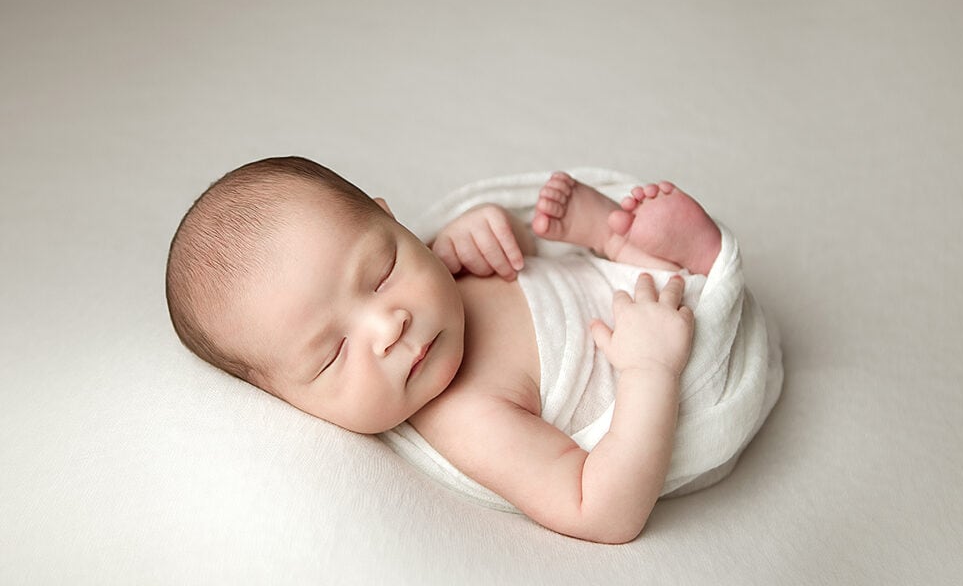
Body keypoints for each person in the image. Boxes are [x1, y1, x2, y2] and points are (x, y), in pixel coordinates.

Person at [166, 156, 723, 543]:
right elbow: (600, 508)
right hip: (657, 347)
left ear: (393, 221)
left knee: (555, 245)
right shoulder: (466, 416)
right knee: (690, 317)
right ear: (288, 401)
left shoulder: (442, 267)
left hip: (613, 287)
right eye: (333, 354)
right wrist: (651, 370)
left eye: (382, 273)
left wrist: (495, 234)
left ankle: (615, 243)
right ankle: (698, 269)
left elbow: (525, 264)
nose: (389, 325)